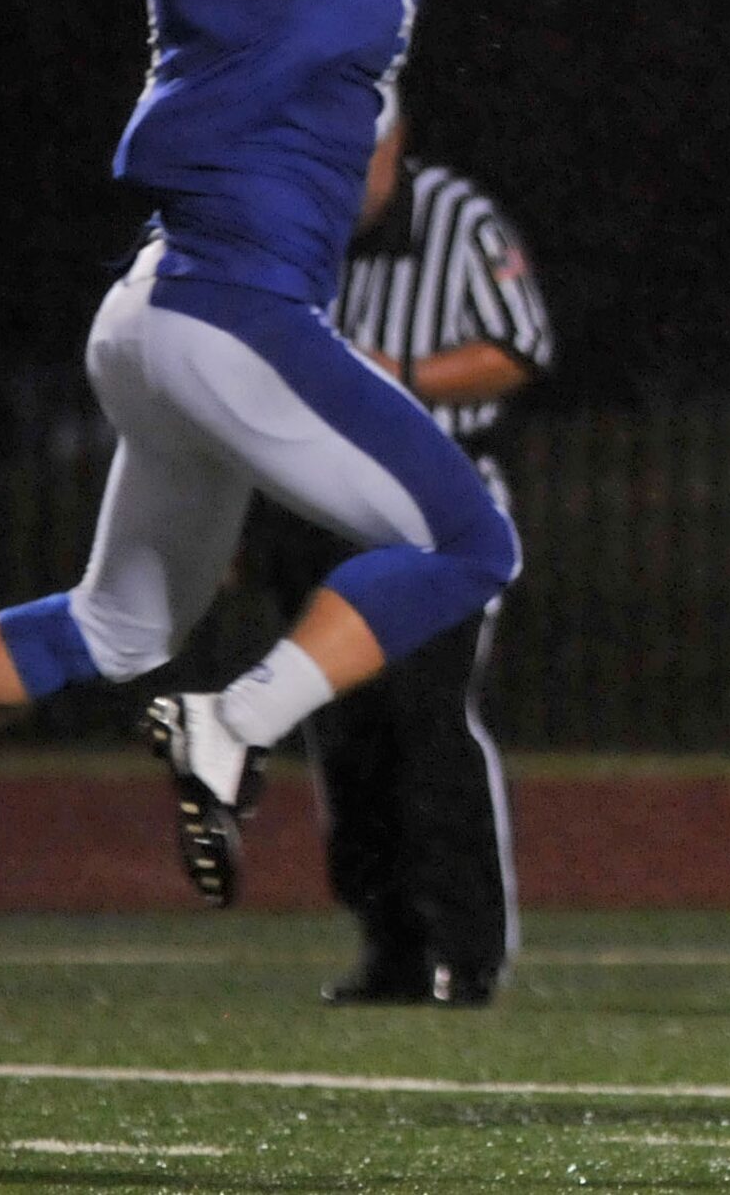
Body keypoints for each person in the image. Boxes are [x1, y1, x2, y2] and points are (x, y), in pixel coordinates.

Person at [0, 0, 730, 912]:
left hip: (163, 308)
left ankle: (218, 716)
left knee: (117, 628)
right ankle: (232, 725)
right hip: (230, 305)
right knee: (467, 541)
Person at [246, 101, 551, 1006]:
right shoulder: (292, 228)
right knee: (347, 740)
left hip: (433, 516)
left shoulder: (454, 215)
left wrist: (399, 377)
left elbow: (517, 347)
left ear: (393, 145)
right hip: (318, 513)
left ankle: (469, 951)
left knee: (428, 723)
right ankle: (392, 948)